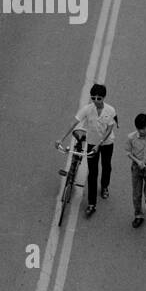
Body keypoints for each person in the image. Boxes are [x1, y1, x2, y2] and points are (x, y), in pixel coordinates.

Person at [60, 83, 117, 216]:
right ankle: (92, 204)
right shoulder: (87, 109)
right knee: (92, 173)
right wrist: (62, 138)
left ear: (103, 98)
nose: (96, 101)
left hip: (107, 143)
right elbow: (74, 123)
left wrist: (100, 143)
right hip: (92, 144)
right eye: (93, 98)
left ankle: (104, 186)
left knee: (106, 166)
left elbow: (109, 129)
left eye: (99, 98)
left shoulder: (110, 110)